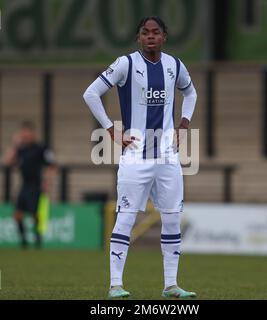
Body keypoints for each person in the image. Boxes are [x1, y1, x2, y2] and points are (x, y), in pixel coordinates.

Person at [83, 16, 197, 299]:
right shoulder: (126, 64)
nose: (150, 37)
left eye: (155, 32)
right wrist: (110, 129)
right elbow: (91, 93)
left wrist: (184, 124)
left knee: (172, 219)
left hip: (167, 157)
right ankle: (115, 285)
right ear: (138, 38)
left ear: (164, 36)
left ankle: (171, 286)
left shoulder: (174, 65)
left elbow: (190, 92)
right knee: (125, 219)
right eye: (145, 33)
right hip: (136, 157)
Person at [4, 121, 57, 249]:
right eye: (23, 133)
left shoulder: (40, 148)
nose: (25, 135)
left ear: (32, 133)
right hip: (24, 184)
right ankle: (24, 241)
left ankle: (38, 237)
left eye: (27, 132)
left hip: (36, 185)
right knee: (17, 214)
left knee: (35, 214)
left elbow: (52, 165)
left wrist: (47, 182)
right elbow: (7, 162)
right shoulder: (20, 149)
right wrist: (14, 145)